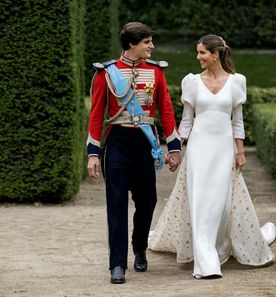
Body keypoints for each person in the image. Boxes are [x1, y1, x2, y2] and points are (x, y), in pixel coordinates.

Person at [149, 34, 275, 278]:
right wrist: (175, 147)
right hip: (198, 149)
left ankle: (218, 247)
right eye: (198, 53)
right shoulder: (192, 82)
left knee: (221, 205)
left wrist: (240, 152)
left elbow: (237, 123)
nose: (198, 57)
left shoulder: (237, 82)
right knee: (199, 202)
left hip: (223, 150)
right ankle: (206, 263)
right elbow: (186, 121)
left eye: (202, 53)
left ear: (216, 54)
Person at [86, 22, 181, 284]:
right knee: (116, 205)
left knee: (147, 201)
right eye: (147, 42)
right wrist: (93, 153)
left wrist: (173, 147)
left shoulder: (156, 72)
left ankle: (139, 247)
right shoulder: (107, 73)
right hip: (117, 142)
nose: (152, 46)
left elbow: (166, 110)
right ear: (131, 44)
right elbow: (96, 115)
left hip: (144, 144)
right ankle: (117, 264)